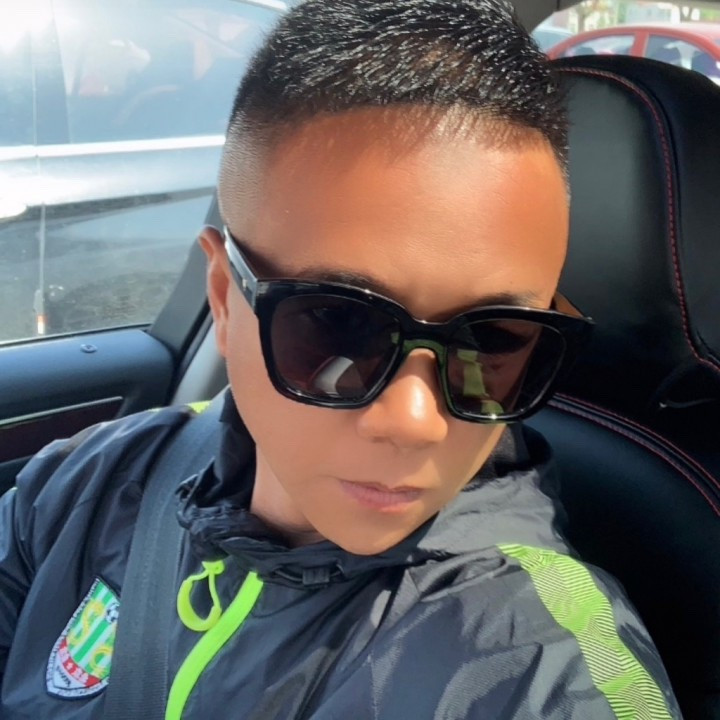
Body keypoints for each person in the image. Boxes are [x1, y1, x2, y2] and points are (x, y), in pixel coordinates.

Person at [0, 1, 681, 718]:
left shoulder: (537, 669)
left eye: (493, 338)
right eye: (339, 322)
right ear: (224, 299)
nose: (415, 421)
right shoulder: (91, 484)